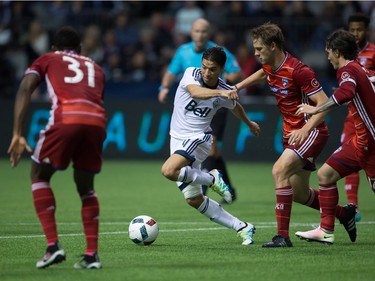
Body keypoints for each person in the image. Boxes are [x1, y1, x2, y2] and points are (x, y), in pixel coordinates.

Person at [234, 23, 356, 247]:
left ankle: (283, 237)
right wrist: (239, 86)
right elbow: (264, 73)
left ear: (273, 46)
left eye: (259, 49)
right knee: (299, 193)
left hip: (310, 131)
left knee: (279, 170)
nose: (255, 53)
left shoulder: (299, 70)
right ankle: (343, 214)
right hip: (291, 133)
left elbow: (324, 104)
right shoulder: (270, 64)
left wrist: (305, 129)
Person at [7, 26, 106, 269]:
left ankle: (53, 246)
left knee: (39, 174)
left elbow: (25, 88)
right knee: (86, 187)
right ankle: (92, 255)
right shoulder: (95, 66)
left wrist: (17, 133)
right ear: (80, 49)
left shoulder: (48, 58)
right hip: (97, 121)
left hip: (66, 117)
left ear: (54, 48)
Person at [161, 46, 260, 245]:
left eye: (212, 69)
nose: (207, 72)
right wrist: (222, 95)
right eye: (205, 67)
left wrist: (248, 123)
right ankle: (242, 226)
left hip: (199, 139)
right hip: (177, 139)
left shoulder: (224, 89)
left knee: (169, 170)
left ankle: (211, 178)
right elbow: (195, 92)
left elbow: (236, 107)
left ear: (222, 68)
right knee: (194, 200)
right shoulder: (191, 73)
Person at [295, 29, 375, 244]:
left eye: (328, 51)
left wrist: (315, 110)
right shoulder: (360, 69)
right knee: (326, 175)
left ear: (337, 52)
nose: (327, 56)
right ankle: (326, 230)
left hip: (371, 144)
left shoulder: (347, 70)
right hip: (360, 141)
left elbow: (346, 92)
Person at [158, 18, 243, 203]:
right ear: (192, 32)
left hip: (214, 104)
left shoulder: (218, 52)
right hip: (192, 105)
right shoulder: (183, 52)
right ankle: (227, 187)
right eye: (197, 31)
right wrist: (163, 88)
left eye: (204, 31)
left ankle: (207, 184)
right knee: (215, 152)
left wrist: (222, 86)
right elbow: (172, 72)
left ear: (208, 33)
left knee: (211, 147)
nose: (200, 35)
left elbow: (237, 73)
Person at [341, 13, 375, 222]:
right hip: (353, 116)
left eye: (359, 29)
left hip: (371, 116)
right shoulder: (345, 55)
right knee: (348, 153)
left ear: (366, 30)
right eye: (352, 30)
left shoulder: (373, 52)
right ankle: (353, 205)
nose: (355, 34)